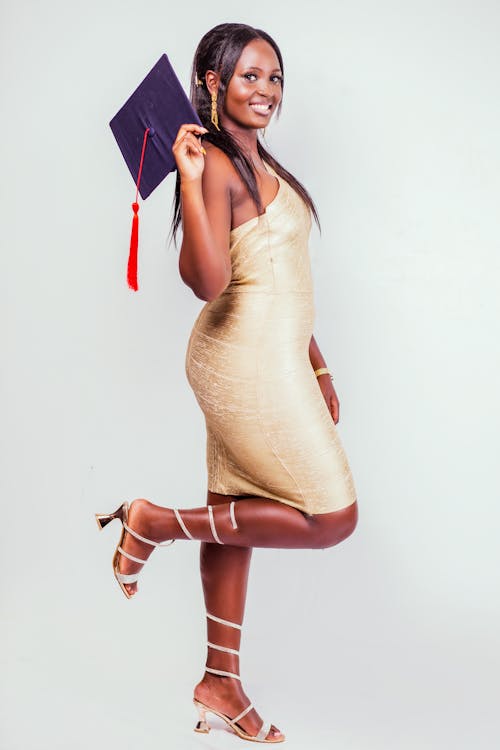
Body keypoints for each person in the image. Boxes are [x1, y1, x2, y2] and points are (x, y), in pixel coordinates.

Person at [96, 22, 358, 744]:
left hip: (277, 355)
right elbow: (209, 282)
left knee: (236, 511)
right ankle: (152, 522)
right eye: (249, 76)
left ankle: (220, 681)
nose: (266, 90)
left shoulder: (263, 162)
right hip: (240, 358)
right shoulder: (210, 162)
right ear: (211, 83)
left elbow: (283, 278)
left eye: (274, 77)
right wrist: (185, 173)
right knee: (334, 516)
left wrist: (319, 360)